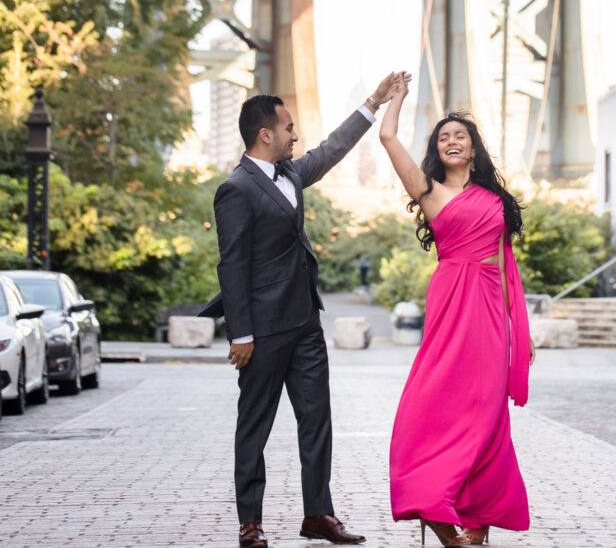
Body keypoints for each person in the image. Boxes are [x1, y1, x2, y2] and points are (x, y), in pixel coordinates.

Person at [202, 74, 400, 548]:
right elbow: (231, 266)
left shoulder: (290, 173)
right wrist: (240, 334)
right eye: (289, 128)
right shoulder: (236, 189)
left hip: (305, 322)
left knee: (317, 420)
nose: (296, 135)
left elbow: (332, 149)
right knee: (255, 425)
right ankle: (250, 522)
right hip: (263, 331)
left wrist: (373, 102)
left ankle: (318, 515)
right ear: (265, 134)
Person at [378, 73, 535, 547]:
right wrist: (397, 98)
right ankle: (438, 513)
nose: (451, 141)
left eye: (459, 136)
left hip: (489, 310)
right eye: (443, 137)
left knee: (488, 416)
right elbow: (387, 137)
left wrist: (518, 335)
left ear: (472, 149)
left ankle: (477, 526)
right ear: (437, 149)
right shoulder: (427, 191)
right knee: (431, 406)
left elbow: (506, 270)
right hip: (451, 303)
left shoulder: (494, 200)